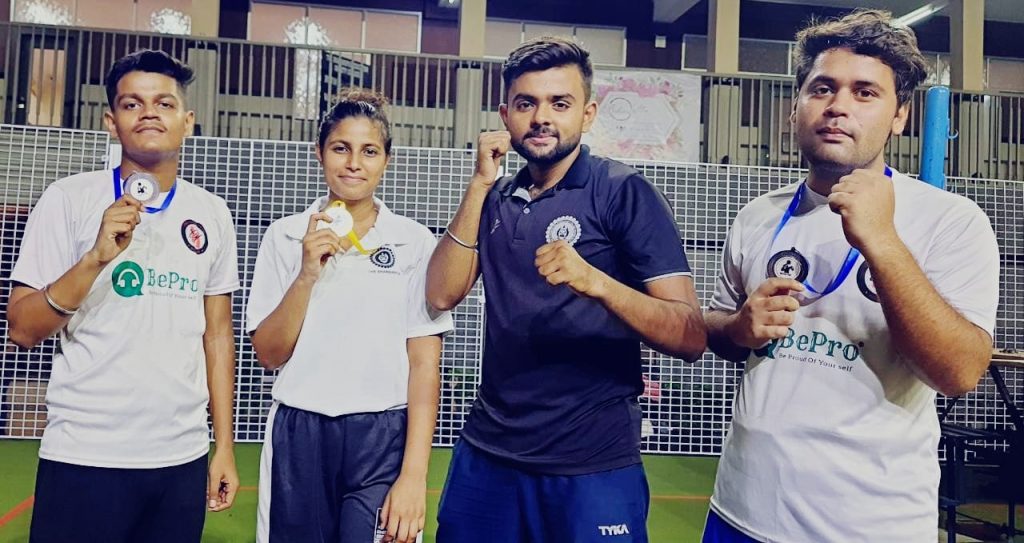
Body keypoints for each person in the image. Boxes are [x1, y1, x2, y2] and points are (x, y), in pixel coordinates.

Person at [702, 10, 1000, 542]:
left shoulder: (951, 220)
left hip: (867, 526)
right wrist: (738, 328)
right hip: (740, 512)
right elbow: (718, 331)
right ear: (795, 107)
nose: (838, 106)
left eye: (865, 93)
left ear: (899, 115)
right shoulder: (758, 215)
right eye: (822, 88)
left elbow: (958, 373)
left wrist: (882, 242)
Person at [426, 37, 707, 541]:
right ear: (505, 115)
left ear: (588, 113)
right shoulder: (496, 197)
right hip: (488, 454)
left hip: (592, 463)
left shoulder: (622, 191)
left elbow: (690, 335)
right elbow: (440, 295)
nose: (541, 118)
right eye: (526, 103)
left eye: (560, 103)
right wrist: (479, 184)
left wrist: (598, 283)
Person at [6, 49, 240, 543]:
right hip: (84, 455)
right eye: (133, 104)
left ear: (187, 121)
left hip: (180, 458)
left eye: (164, 103)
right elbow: (23, 328)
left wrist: (223, 445)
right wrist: (94, 258)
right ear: (111, 122)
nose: (149, 113)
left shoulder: (213, 213)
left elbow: (218, 336)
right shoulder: (68, 199)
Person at [247, 89, 453, 543]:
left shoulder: (414, 242)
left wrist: (414, 476)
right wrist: (306, 274)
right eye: (341, 148)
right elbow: (268, 354)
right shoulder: (284, 236)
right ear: (319, 153)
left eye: (369, 151)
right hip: (299, 432)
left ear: (387, 160)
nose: (354, 163)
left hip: (383, 437)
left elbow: (424, 364)